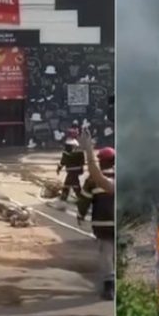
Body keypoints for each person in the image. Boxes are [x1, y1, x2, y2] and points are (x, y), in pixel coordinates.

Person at [77, 128, 115, 301]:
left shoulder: (92, 181)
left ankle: (109, 286)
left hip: (102, 224)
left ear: (101, 162)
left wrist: (80, 215)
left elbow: (84, 200)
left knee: (106, 253)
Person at [56, 137, 84, 201]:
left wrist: (58, 169)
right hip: (77, 170)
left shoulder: (65, 153)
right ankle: (66, 195)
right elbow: (82, 162)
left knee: (73, 183)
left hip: (70, 171)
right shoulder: (80, 152)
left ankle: (78, 197)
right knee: (70, 182)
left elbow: (62, 162)